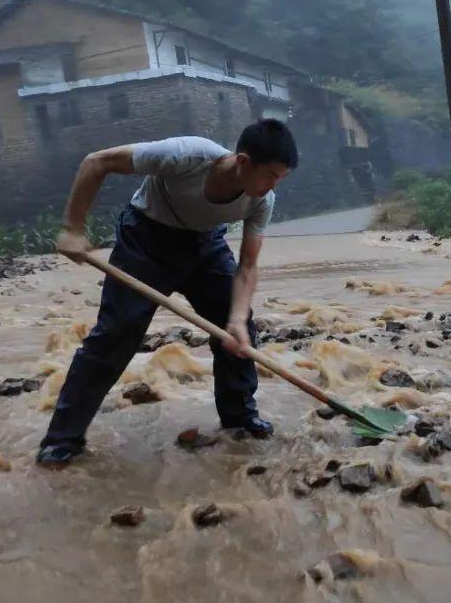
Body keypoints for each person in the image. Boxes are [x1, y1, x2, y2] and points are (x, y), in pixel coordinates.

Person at [36, 119, 298, 468]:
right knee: (116, 335)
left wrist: (235, 318)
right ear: (243, 162)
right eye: (270, 175)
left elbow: (247, 268)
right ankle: (62, 440)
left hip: (205, 244)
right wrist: (73, 228)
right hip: (146, 239)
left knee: (238, 329)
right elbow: (97, 161)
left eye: (280, 178)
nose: (272, 186)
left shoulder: (260, 202)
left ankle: (239, 420)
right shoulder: (186, 155)